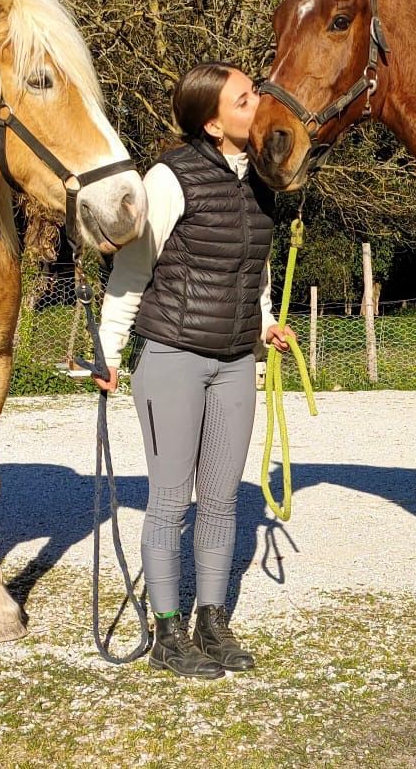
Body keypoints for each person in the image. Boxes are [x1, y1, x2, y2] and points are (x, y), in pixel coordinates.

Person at [96, 62, 296, 679]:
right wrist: (108, 349)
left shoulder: (261, 178)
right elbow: (133, 269)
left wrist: (265, 324)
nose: (258, 103)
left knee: (220, 500)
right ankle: (167, 631)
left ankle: (212, 621)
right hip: (173, 358)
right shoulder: (168, 177)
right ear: (213, 123)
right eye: (245, 99)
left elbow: (254, 269)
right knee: (168, 502)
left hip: (236, 362)